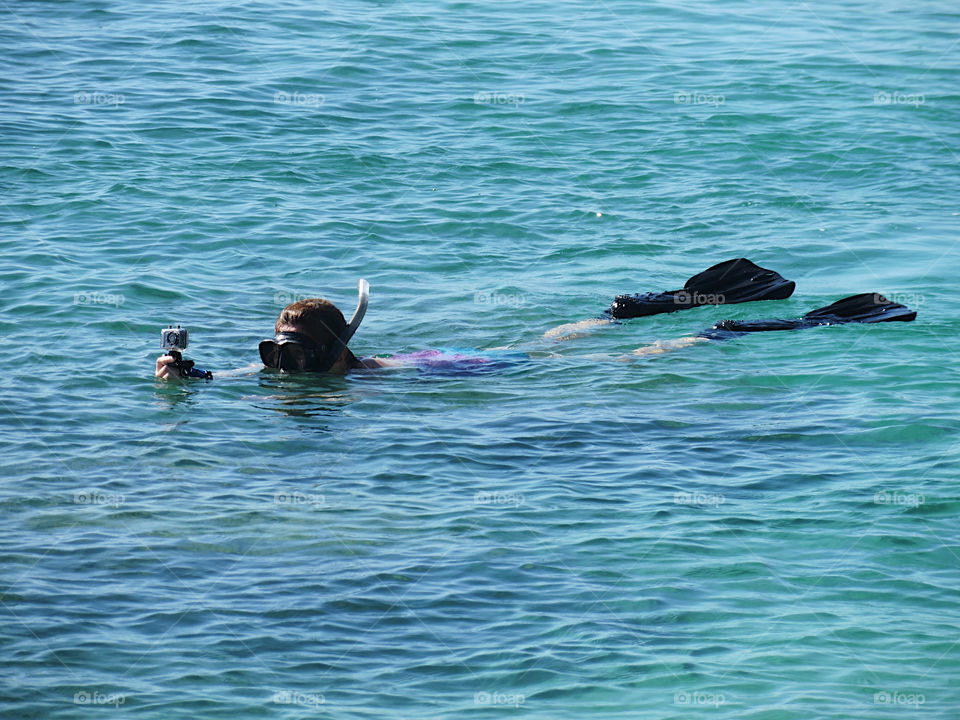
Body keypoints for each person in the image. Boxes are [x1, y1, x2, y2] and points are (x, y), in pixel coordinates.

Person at [155, 280, 394, 380]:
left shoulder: (370, 375)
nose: (282, 368)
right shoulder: (274, 368)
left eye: (296, 355)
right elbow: (220, 377)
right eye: (274, 354)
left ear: (338, 354)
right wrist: (183, 375)